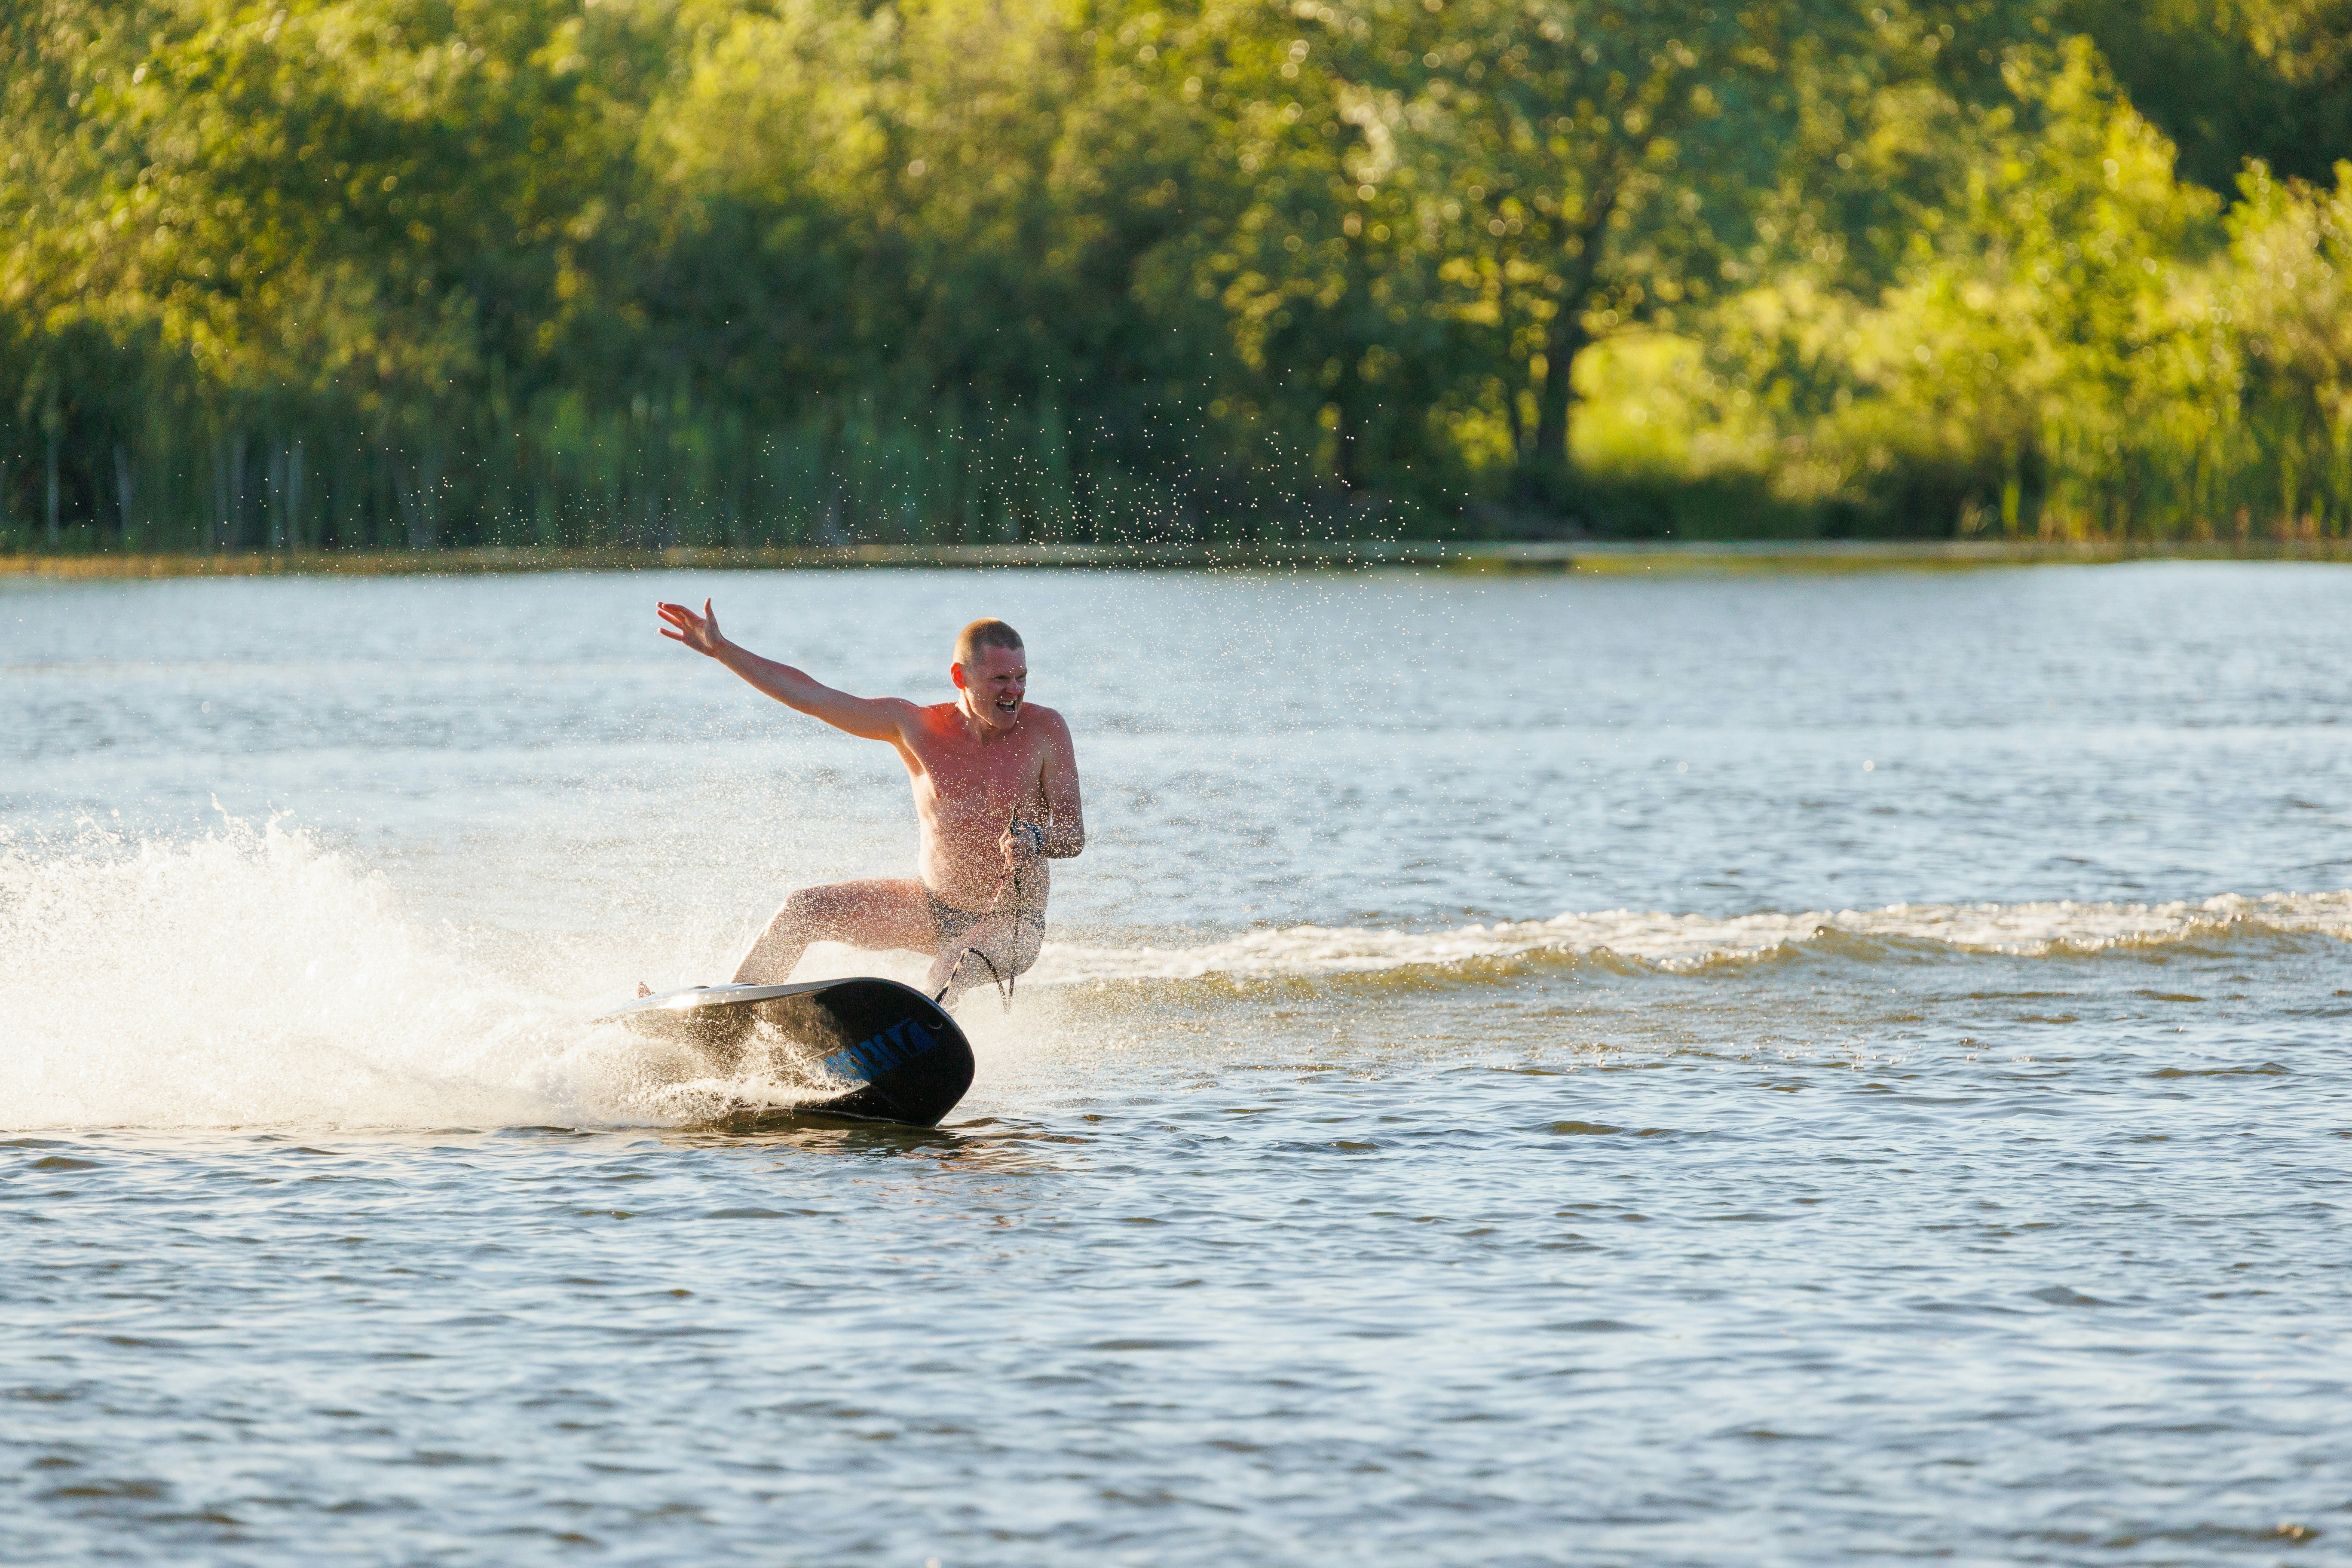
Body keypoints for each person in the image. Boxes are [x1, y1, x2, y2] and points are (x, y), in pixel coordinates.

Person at [651, 600, 1083, 1008]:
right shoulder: (915, 726)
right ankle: (729, 1022)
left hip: (1013, 922)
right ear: (960, 677)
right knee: (804, 910)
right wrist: (722, 650)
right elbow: (813, 697)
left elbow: (1073, 835)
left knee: (950, 967)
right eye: (1001, 680)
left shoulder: (1046, 730)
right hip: (931, 907)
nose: (1014, 691)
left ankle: (917, 1045)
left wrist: (1036, 840)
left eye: (1021, 678)